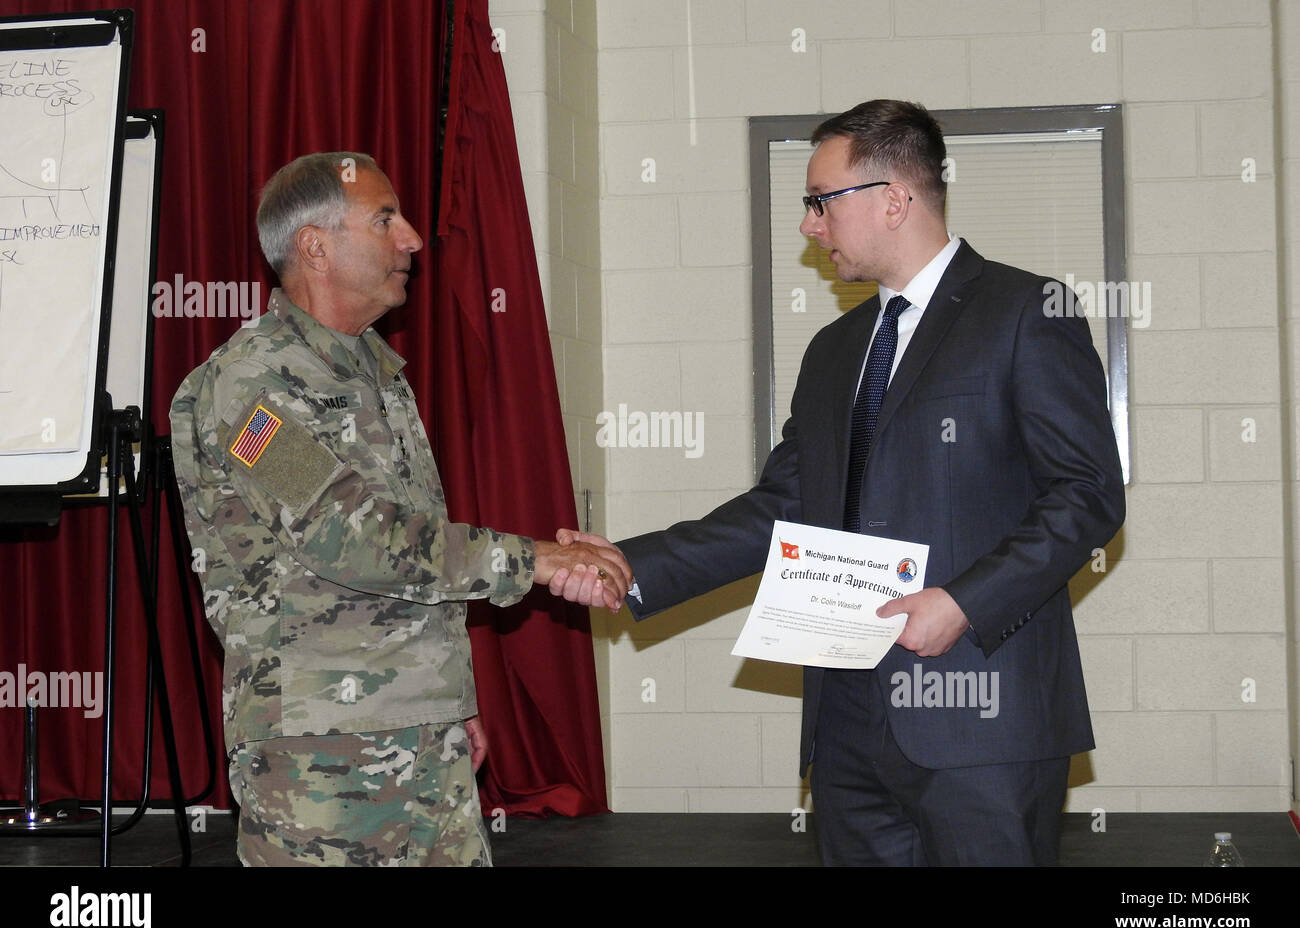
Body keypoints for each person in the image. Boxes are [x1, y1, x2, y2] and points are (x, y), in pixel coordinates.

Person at [557, 100, 1125, 865]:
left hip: (981, 718)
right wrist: (631, 564)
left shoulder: (1025, 312)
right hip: (848, 721)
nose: (808, 226)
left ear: (895, 198)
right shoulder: (835, 349)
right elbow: (781, 509)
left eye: (820, 201)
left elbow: (1087, 492)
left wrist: (962, 603)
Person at [170, 151, 629, 867]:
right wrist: (536, 559)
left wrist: (449, 695)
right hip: (322, 753)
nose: (412, 237)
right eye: (386, 219)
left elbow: (416, 561)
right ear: (314, 246)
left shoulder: (375, 370)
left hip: (416, 727)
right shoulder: (247, 390)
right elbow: (345, 537)